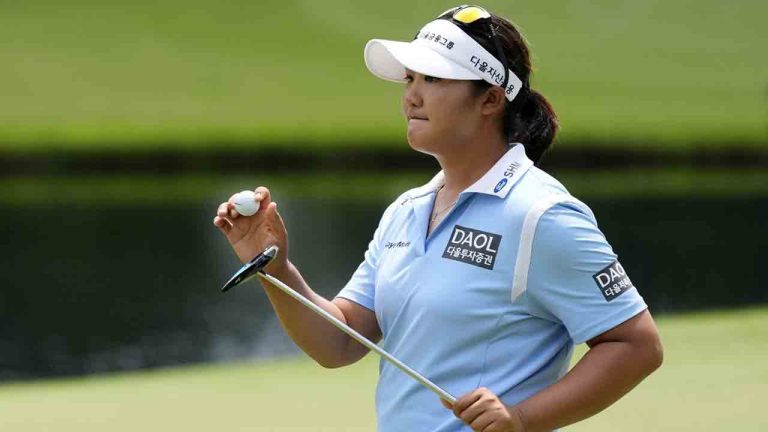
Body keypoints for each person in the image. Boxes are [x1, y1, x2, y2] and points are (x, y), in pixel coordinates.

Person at [213, 5, 663, 432]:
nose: (411, 96)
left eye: (433, 78)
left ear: (490, 99)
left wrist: (523, 418)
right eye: (410, 78)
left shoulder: (542, 215)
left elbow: (636, 344)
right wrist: (276, 269)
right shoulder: (406, 211)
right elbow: (341, 342)